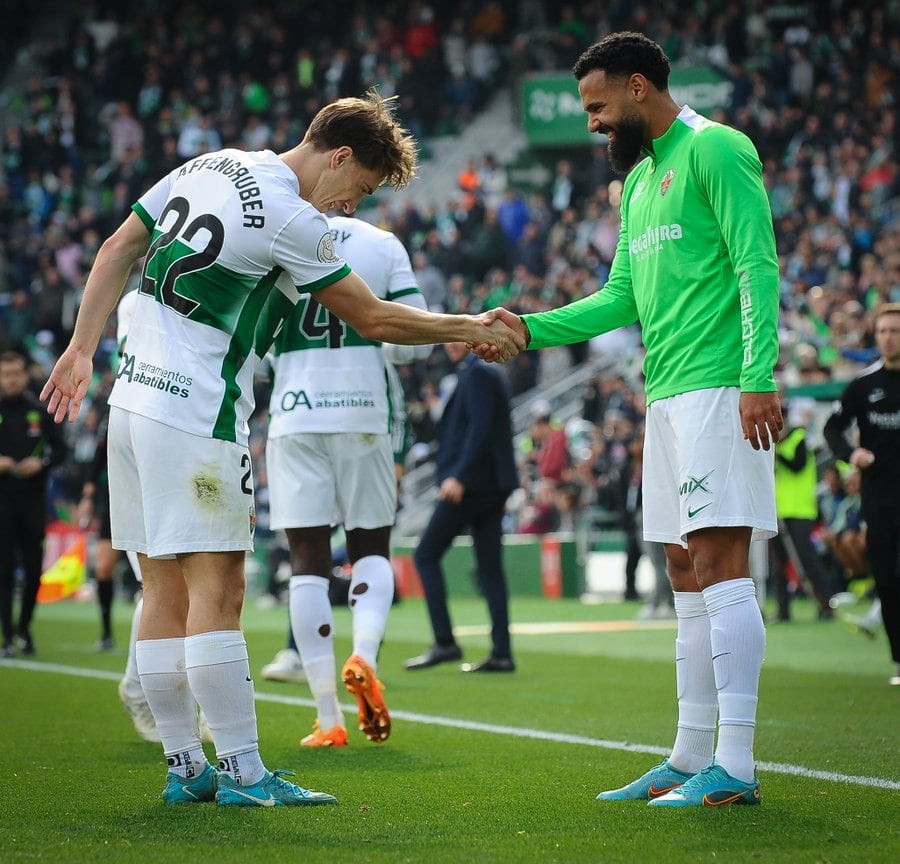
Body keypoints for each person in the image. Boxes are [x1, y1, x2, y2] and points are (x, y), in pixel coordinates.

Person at [40, 91, 522, 809]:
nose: (349, 208)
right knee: (219, 590)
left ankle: (184, 769)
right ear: (339, 155)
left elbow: (117, 249)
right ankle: (241, 772)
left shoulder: (209, 162)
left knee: (163, 589)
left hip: (131, 404)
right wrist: (467, 325)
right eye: (356, 189)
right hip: (198, 415)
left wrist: (82, 349)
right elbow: (374, 319)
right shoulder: (291, 216)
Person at [485, 32, 782, 806]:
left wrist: (758, 376)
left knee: (719, 563)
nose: (591, 121)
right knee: (684, 569)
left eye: (597, 105)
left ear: (639, 88)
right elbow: (622, 298)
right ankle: (688, 757)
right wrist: (529, 327)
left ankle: (737, 769)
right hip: (667, 394)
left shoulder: (717, 150)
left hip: (721, 386)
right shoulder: (641, 181)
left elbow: (756, 264)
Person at [263, 212, 431, 747]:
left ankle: (329, 718)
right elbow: (416, 340)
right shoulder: (382, 246)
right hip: (362, 412)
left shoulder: (278, 239)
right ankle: (364, 651)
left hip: (294, 414)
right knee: (370, 547)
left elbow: (259, 345)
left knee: (307, 562)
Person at [404, 341, 519, 673]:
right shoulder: (476, 373)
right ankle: (501, 653)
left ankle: (445, 642)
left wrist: (459, 476)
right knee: (489, 570)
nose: (450, 343)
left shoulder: (477, 373)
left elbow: (480, 430)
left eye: (458, 335)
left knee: (425, 554)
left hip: (471, 488)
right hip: (490, 487)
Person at [823, 303, 900, 686]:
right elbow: (832, 429)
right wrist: (850, 455)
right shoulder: (863, 386)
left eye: (895, 331)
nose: (889, 337)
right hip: (880, 499)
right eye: (883, 331)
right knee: (886, 579)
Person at [0, 350, 68, 657]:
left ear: (25, 375)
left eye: (15, 373)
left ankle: (24, 629)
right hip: (2, 501)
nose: (10, 380)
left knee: (32, 570)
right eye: (5, 374)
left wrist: (40, 463)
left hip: (31, 502)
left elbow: (61, 450)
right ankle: (6, 636)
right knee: (2, 569)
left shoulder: (39, 411)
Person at [769, 398, 835, 621]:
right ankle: (783, 610)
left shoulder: (798, 438)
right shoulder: (773, 444)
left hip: (799, 511)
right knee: (778, 563)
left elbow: (797, 466)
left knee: (807, 560)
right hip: (778, 511)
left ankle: (826, 604)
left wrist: (776, 454)